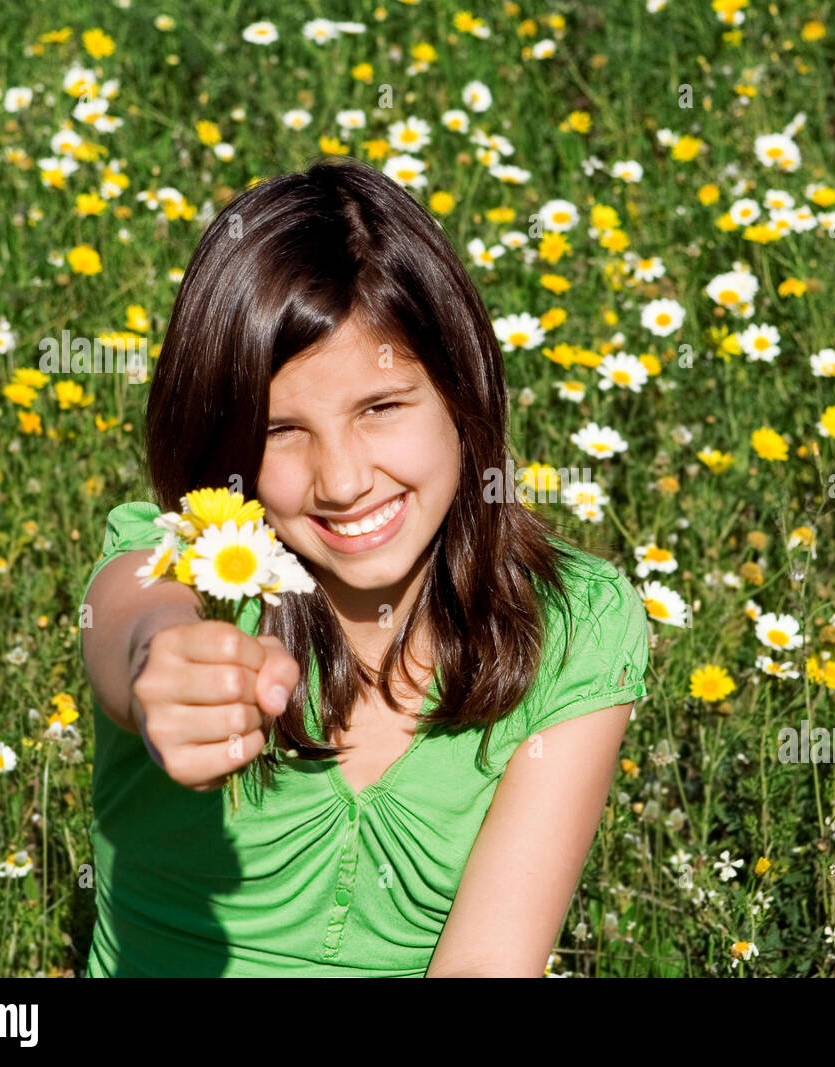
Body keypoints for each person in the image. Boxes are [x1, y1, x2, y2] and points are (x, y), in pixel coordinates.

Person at [78, 156, 651, 977]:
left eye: (380, 408)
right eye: (281, 431)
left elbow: (488, 962)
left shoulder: (575, 626)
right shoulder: (180, 564)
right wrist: (155, 669)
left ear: (462, 392)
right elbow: (137, 624)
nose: (342, 480)